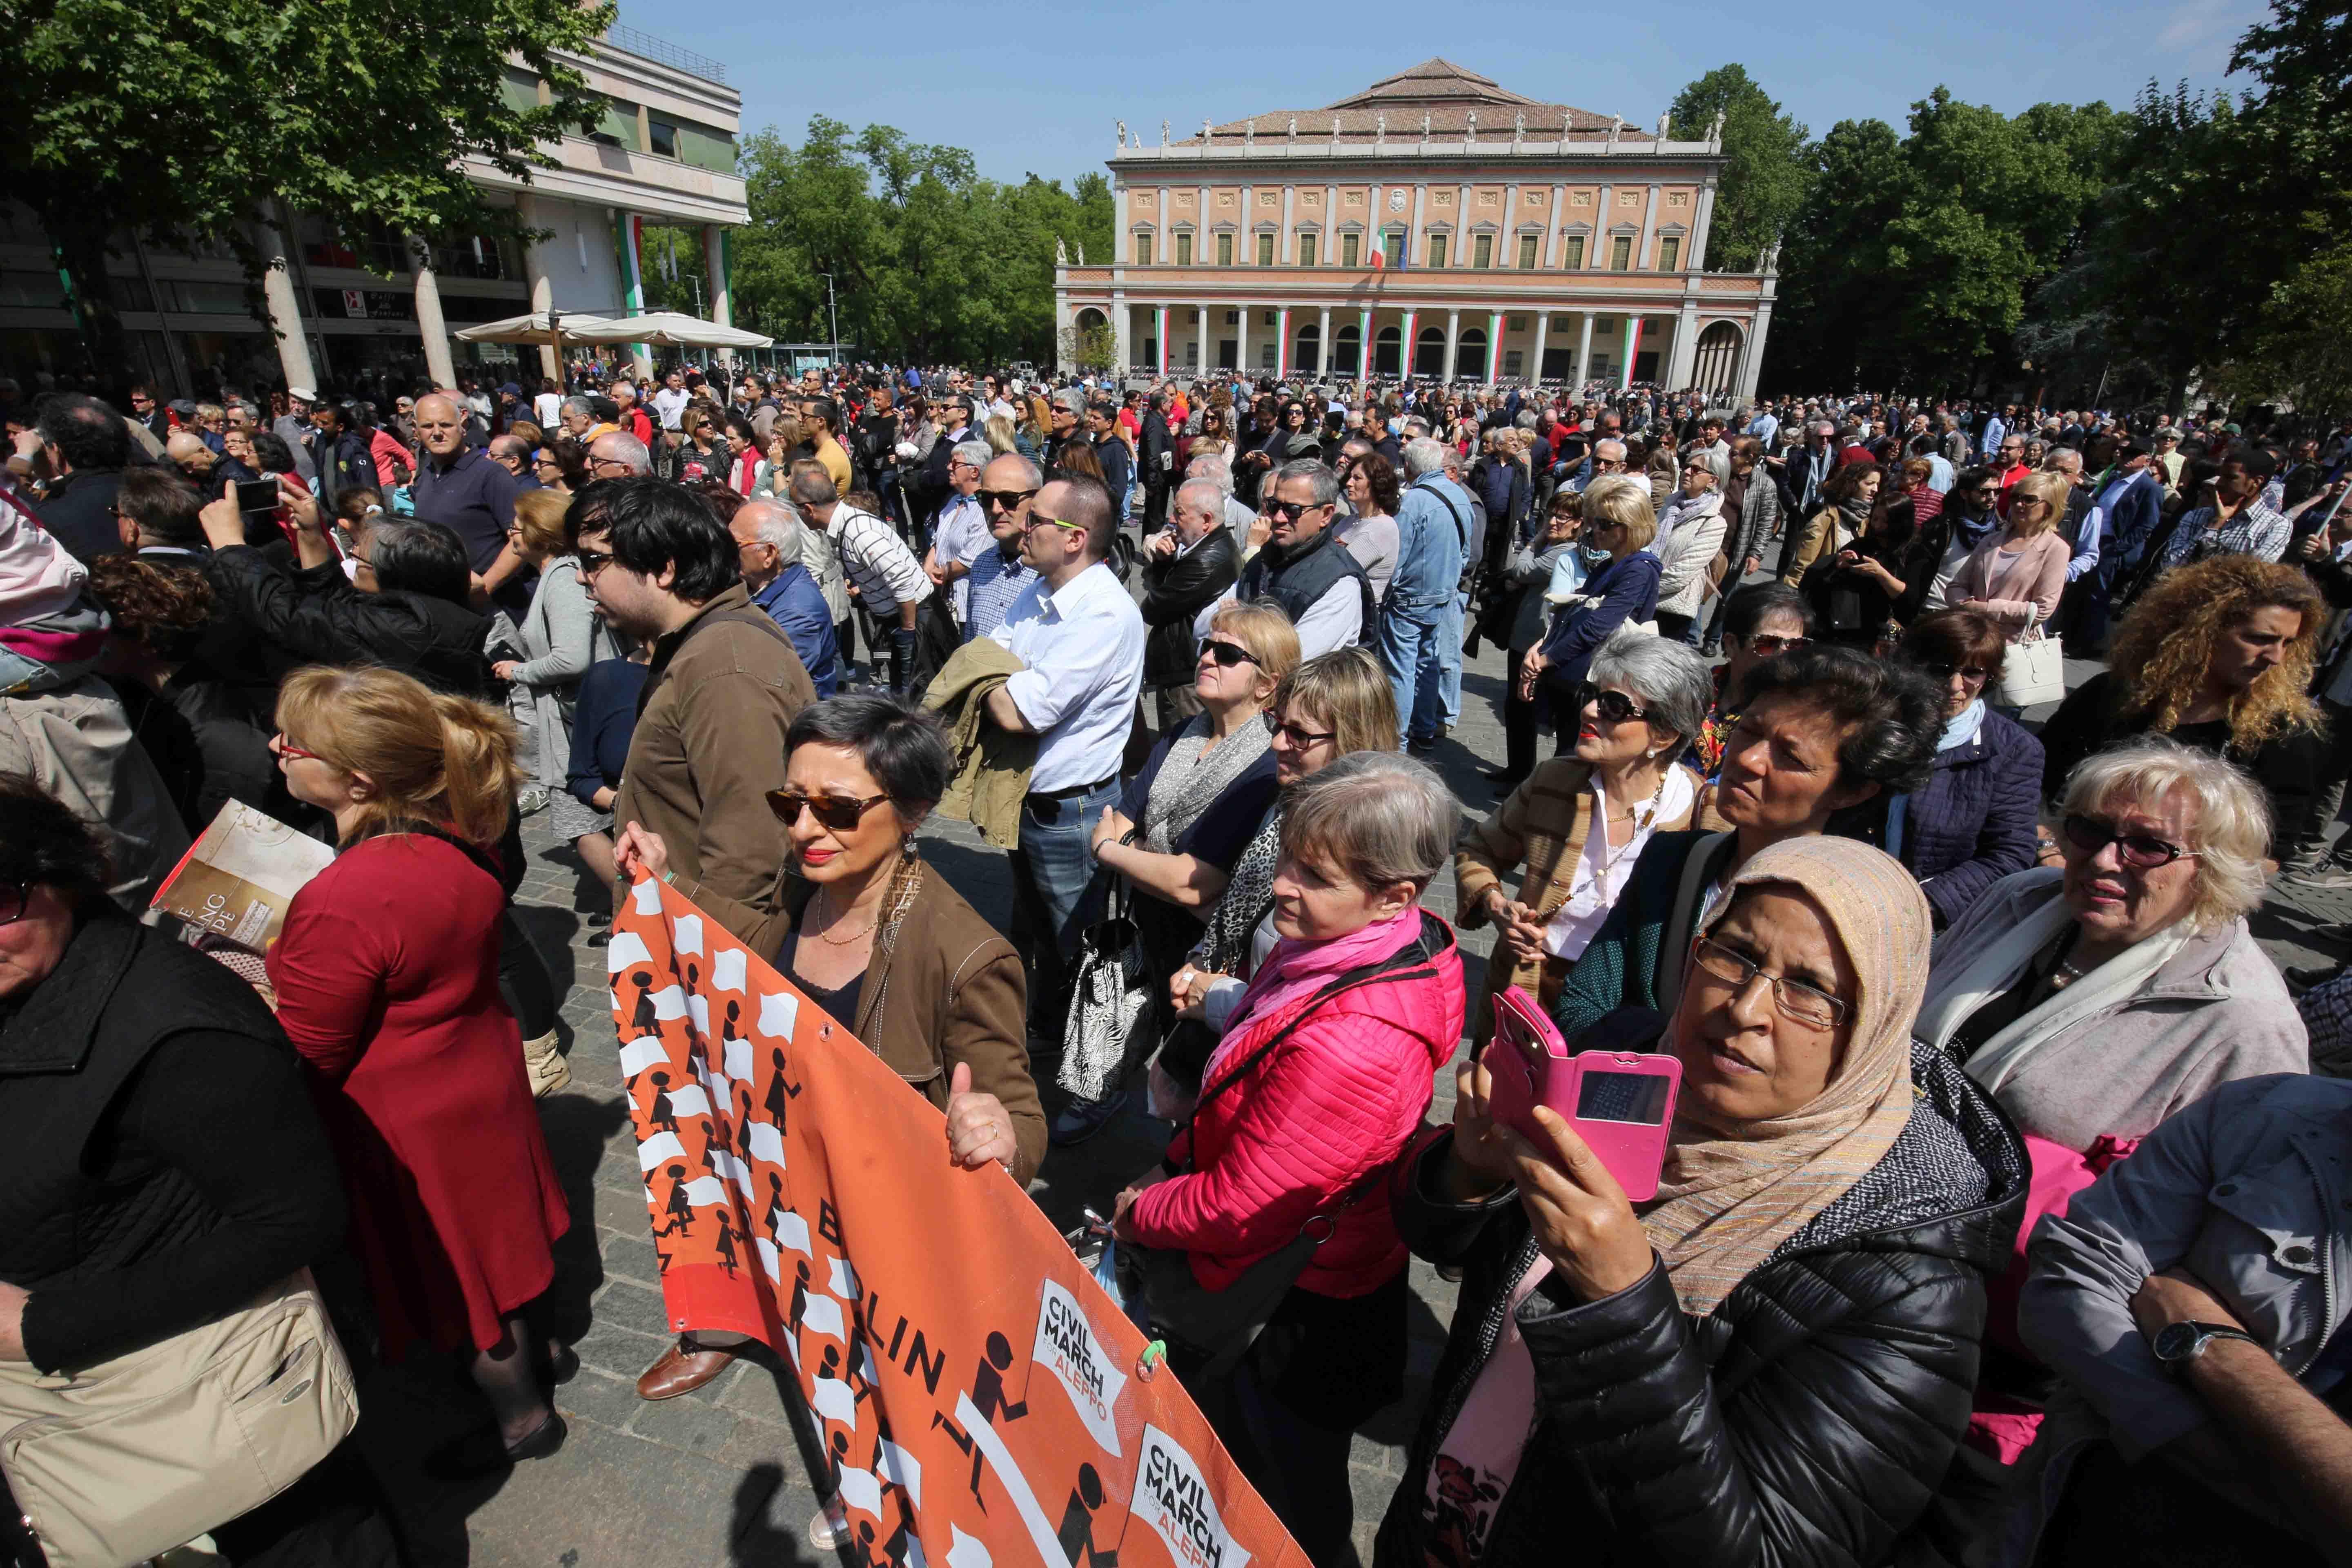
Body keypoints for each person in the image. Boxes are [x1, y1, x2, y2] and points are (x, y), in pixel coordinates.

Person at [1378, 836, 2026, 1568]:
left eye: (1811, 990)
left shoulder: (1911, 1285)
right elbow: (1447, 1245)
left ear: (1873, 1025)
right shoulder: (1628, 1064)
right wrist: (1468, 1173)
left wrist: (1621, 1300)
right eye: (1736, 955)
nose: (1746, 1008)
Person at [0, 775, 405, 1562]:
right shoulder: (29, 977)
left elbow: (298, 1217)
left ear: (62, 880)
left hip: (207, 1382)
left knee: (302, 1534)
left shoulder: (181, 1031)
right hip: (91, 1396)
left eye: (1, 898)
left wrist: (38, 1327)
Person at [612, 695, 1046, 1398]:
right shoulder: (806, 882)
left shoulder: (968, 956)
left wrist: (999, 1137)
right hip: (780, 1157)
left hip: (877, 1206)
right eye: (791, 805)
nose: (805, 829)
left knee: (869, 1362)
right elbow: (751, 949)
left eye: (838, 809)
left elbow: (1018, 1116)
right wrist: (668, 887)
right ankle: (736, 1319)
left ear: (913, 813)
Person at [1114, 753, 1468, 1566]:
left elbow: (1244, 1206)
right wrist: (1221, 1002)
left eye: (1315, 874)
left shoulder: (1357, 1042)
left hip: (1294, 1304)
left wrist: (1143, 1211)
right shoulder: (1351, 946)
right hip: (1299, 1274)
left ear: (1396, 897)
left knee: (1283, 1500)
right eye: (1288, 860)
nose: (1283, 886)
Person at [266, 667, 573, 1475]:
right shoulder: (449, 841)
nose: (278, 752)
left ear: (357, 780)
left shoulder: (347, 895)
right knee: (498, 1251)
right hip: (475, 1078)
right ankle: (547, 1358)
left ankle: (520, 1419)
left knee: (460, 1277)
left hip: (403, 1118)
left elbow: (313, 1045)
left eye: (293, 744)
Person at [2018, 1071, 2352, 1564]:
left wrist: (2208, 1340)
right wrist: (2183, 1435)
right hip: (2062, 1519)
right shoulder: (2270, 1113)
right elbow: (2077, 1273)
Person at [1918, 738, 2305, 1153]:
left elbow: (2243, 1184)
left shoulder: (2246, 1023)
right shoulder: (2020, 898)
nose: (2104, 859)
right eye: (2091, 830)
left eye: (2148, 846)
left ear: (2211, 867)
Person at [1550, 645, 1942, 1040]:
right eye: (1750, 730)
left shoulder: (1856, 925)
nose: (1749, 759)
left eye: (1790, 755)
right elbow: (1580, 1006)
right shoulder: (1673, 861)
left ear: (1853, 792)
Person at [1067, 604, 1295, 1140]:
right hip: (1146, 916)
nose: (1207, 658)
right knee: (1105, 999)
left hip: (1205, 949)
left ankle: (1178, 1161)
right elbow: (1120, 822)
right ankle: (1093, 1092)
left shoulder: (1266, 765)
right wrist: (1149, 859)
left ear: (1268, 684)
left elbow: (1197, 880)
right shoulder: (1182, 734)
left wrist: (1116, 854)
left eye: (1228, 653)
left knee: (1186, 1074)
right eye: (1207, 647)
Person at [583, 479, 816, 938]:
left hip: (708, 963)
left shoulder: (726, 666)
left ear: (664, 569)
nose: (581, 577)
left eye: (595, 560)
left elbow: (749, 862)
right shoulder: (699, 646)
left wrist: (709, 979)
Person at [1457, 629, 1711, 1041]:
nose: (1590, 711)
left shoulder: (1702, 815)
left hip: (1622, 1020)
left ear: (1664, 734)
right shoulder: (1553, 781)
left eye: (1614, 706)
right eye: (1590, 694)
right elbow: (1478, 850)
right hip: (1525, 994)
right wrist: (1497, 906)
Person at [1164, 648, 1400, 1060]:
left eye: (1300, 734)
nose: (1277, 743)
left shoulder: (1359, 844)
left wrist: (1218, 999)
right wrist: (1202, 961)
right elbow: (1242, 911)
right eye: (1277, 724)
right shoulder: (1290, 801)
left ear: (1352, 738)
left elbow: (1307, 999)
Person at [982, 474, 1147, 1042]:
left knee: (1084, 945)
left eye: (1035, 519)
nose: (1020, 527)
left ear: (1075, 539)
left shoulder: (1104, 613)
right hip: (1025, 798)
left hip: (1070, 813)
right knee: (1033, 930)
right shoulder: (1041, 590)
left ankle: (1098, 1070)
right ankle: (1051, 1032)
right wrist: (992, 682)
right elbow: (986, 658)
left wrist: (988, 684)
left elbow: (1019, 712)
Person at [2041, 555, 2327, 858]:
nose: (2276, 657)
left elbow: (2271, 851)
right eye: (2259, 639)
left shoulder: (2278, 731)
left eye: (2288, 643)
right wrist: (2049, 853)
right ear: (2202, 629)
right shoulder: (2112, 696)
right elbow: (2032, 782)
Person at [1878, 609, 2046, 928]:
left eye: (1973, 673)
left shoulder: (2015, 750)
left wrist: (1922, 907)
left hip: (1924, 919)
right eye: (1940, 670)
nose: (1955, 686)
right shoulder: (1871, 721)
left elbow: (2009, 855)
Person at [494, 488, 619, 828]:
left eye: (518, 527)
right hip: (575, 719)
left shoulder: (564, 578)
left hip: (579, 723)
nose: (511, 534)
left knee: (579, 827)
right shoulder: (556, 576)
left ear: (542, 533)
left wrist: (520, 671)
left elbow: (572, 660)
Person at [1517, 474, 1662, 722]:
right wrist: (1540, 645)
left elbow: (1598, 627)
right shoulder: (1609, 564)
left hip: (1602, 681)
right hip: (1580, 676)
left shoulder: (1639, 569)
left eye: (1605, 524)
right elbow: (1572, 612)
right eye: (1596, 521)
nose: (1596, 529)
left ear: (1630, 527)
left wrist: (1544, 660)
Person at [1202, 458, 1373, 658]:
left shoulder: (1341, 584)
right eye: (1274, 505)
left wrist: (1231, 623)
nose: (1278, 518)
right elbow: (1201, 628)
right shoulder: (1262, 562)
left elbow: (1287, 661)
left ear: (1326, 515)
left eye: (1293, 510)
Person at [789, 466, 929, 692]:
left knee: (915, 694)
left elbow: (902, 581)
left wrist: (908, 634)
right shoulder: (847, 526)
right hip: (896, 618)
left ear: (808, 509)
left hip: (914, 620)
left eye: (796, 509)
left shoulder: (858, 532)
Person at [1379, 438, 1476, 752]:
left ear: (1409, 466)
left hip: (1411, 597)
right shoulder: (1460, 495)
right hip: (1442, 594)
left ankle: (1399, 739)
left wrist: (1384, 590)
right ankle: (1424, 729)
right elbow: (1466, 553)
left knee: (1401, 670)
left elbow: (1397, 555)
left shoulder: (1414, 502)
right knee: (1427, 663)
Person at [1492, 492, 1583, 786]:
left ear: (1579, 524)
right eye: (1550, 515)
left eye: (1562, 518)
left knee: (1526, 708)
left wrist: (1533, 542)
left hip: (1537, 642)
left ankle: (1524, 779)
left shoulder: (1563, 552)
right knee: (1515, 707)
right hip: (1523, 636)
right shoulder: (1553, 547)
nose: (1553, 522)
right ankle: (1516, 769)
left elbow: (1523, 569)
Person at [1139, 477, 1240, 731]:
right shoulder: (1202, 547)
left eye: (1179, 513)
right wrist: (1164, 562)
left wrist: (1163, 569)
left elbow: (1152, 609)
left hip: (1185, 680)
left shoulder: (1207, 560)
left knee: (1180, 750)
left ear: (1206, 520)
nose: (1172, 519)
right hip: (1181, 672)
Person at [729, 499, 841, 698]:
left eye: (735, 545)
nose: (726, 551)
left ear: (769, 555)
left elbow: (764, 687)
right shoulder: (762, 590)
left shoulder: (798, 614)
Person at [1947, 468, 2071, 642]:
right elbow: (1956, 586)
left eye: (2029, 500)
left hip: (2012, 645)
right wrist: (1964, 604)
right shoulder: (1991, 540)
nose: (2020, 505)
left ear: (2049, 509)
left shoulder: (2056, 549)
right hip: (1970, 637)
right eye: (2016, 498)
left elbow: (2042, 610)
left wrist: (1984, 608)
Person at [1699, 435, 1782, 654]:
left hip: (1735, 550)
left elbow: (1766, 523)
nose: (1729, 455)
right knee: (1696, 591)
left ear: (1750, 458)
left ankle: (1712, 638)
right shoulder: (1721, 474)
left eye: (1734, 453)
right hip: (1708, 544)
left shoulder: (1764, 484)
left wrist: (1755, 554)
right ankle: (1690, 636)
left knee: (1725, 599)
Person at [1652, 448, 1729, 644]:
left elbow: (1682, 573)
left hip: (1672, 610)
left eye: (1696, 469)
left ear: (1713, 481)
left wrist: (1644, 584)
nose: (1687, 472)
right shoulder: (1671, 507)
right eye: (1687, 467)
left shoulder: (1714, 523)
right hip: (1646, 600)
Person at [1780, 457, 1880, 586]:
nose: (1875, 489)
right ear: (1852, 485)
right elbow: (1800, 570)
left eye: (1878, 484)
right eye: (1870, 483)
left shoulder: (1866, 521)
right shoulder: (1825, 520)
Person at [1333, 447, 1401, 603]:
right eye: (1350, 477)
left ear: (1377, 484)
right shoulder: (1348, 521)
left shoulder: (1382, 528)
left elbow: (1338, 570)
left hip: (1358, 613)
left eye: (1357, 478)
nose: (1349, 483)